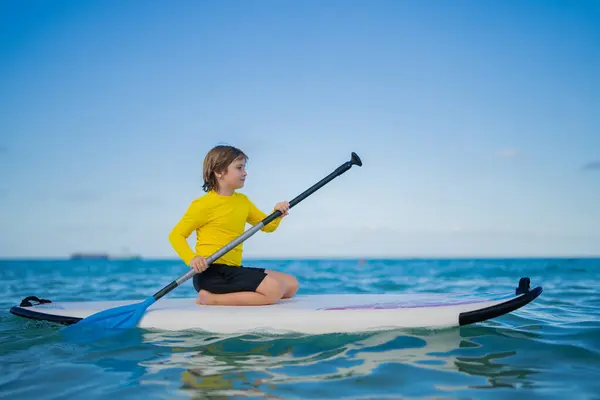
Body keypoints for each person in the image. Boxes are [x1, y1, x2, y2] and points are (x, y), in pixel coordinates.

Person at [168, 145, 299, 306]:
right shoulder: (203, 205)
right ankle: (211, 299)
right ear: (219, 172)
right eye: (239, 168)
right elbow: (176, 235)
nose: (245, 173)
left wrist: (277, 212)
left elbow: (267, 226)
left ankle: (246, 293)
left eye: (244, 167)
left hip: (233, 270)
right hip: (211, 273)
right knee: (275, 289)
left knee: (291, 285)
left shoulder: (242, 201)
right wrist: (192, 258)